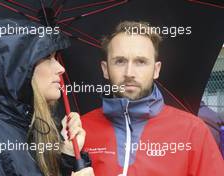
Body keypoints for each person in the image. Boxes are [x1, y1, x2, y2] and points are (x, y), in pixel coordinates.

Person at [81, 21, 224, 176]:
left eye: (141, 62)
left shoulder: (193, 130)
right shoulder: (80, 131)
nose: (129, 72)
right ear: (105, 69)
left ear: (156, 70)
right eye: (120, 61)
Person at [0, 18, 94, 176]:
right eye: (47, 58)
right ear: (17, 69)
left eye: (56, 57)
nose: (61, 68)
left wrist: (68, 156)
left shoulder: (34, 130)